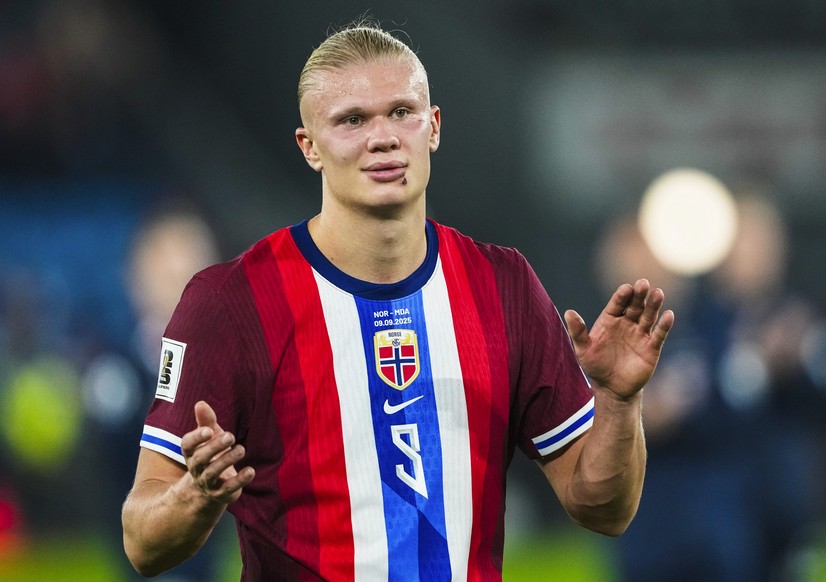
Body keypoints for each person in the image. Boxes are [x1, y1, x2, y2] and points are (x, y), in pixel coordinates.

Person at [121, 21, 674, 580]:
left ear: (433, 127)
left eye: (401, 112)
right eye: (352, 120)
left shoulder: (502, 286)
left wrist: (619, 402)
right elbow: (143, 542)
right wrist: (197, 495)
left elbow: (604, 507)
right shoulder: (230, 303)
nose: (382, 137)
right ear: (308, 146)